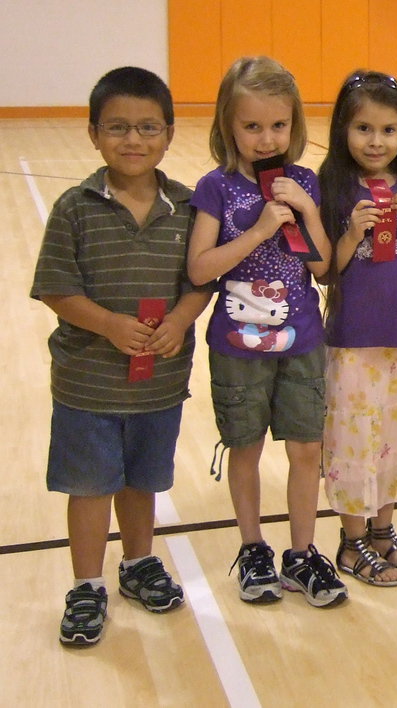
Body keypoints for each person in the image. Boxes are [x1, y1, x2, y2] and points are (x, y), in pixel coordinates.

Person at [32, 67, 212, 647]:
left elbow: (201, 280)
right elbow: (56, 288)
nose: (133, 140)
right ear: (93, 134)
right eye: (117, 128)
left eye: (147, 128)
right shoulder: (75, 207)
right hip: (87, 384)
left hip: (158, 384)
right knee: (90, 487)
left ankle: (138, 565)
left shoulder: (186, 207)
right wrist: (108, 324)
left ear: (168, 133)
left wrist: (182, 321)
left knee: (143, 482)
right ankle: (87, 584)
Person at [188, 56, 347, 608]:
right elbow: (200, 268)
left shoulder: (303, 180)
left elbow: (323, 267)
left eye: (278, 125)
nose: (265, 138)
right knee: (246, 447)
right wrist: (258, 230)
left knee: (307, 449)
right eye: (251, 126)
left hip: (301, 341)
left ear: (294, 125)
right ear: (227, 125)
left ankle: (302, 552)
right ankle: (253, 547)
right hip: (237, 346)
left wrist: (309, 212)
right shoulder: (216, 188)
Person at [317, 70, 397, 586]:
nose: (376, 141)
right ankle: (350, 541)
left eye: (388, 130)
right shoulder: (333, 187)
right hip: (350, 344)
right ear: (343, 131)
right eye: (364, 129)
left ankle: (381, 531)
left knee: (392, 438)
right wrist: (351, 232)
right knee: (352, 443)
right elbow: (326, 269)